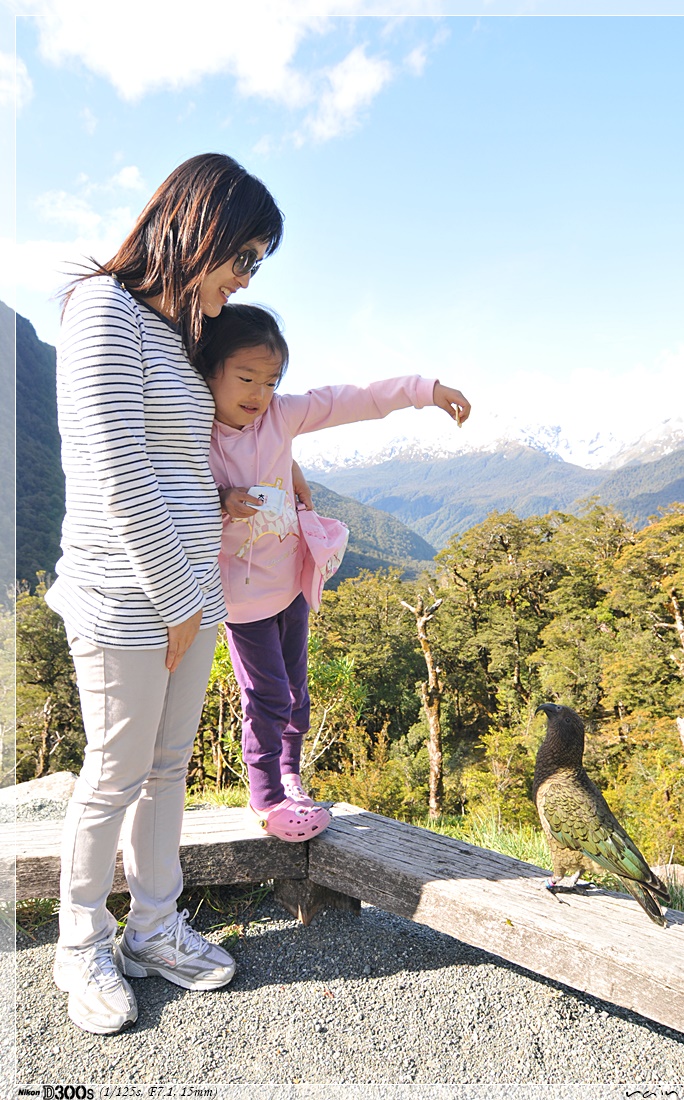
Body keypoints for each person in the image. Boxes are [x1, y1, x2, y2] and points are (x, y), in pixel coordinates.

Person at [45, 153, 286, 1035]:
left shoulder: (177, 331)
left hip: (191, 595)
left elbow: (174, 464)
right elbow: (114, 469)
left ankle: (152, 928)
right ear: (198, 227)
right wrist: (179, 600)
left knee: (166, 768)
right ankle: (80, 943)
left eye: (256, 263)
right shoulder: (102, 310)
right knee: (112, 774)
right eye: (243, 255)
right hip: (126, 597)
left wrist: (215, 514)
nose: (245, 277)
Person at [199, 303, 471, 843]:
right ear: (211, 372)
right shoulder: (191, 432)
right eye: (246, 378)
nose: (259, 394)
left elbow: (355, 399)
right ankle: (266, 798)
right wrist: (224, 499)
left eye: (271, 382)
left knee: (295, 692)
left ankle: (290, 775)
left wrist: (426, 389)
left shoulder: (280, 416)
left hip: (291, 582)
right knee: (267, 696)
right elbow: (173, 494)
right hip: (242, 597)